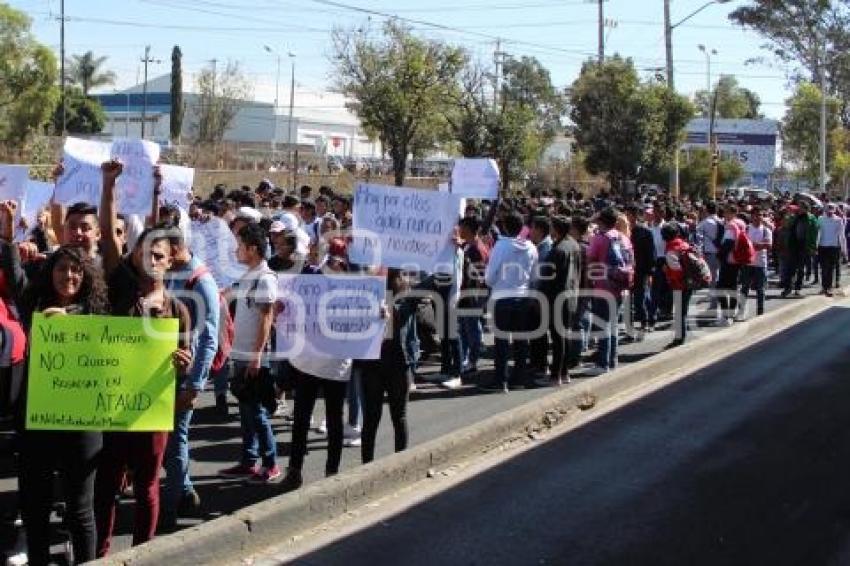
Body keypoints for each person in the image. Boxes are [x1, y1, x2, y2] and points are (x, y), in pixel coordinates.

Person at [94, 161, 193, 556]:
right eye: (144, 250)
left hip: (151, 413)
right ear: (133, 255)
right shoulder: (121, 289)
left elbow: (181, 371)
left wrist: (182, 366)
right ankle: (99, 553)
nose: (151, 257)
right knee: (107, 484)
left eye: (160, 253)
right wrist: (109, 184)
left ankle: (142, 554)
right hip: (112, 407)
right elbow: (106, 232)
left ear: (170, 261)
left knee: (149, 486)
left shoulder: (178, 311)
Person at [17, 247, 109, 566]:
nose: (68, 276)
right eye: (61, 269)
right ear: (49, 272)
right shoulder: (32, 305)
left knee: (81, 508)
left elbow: (122, 357)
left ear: (85, 276)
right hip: (38, 420)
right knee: (35, 506)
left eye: (76, 270)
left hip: (83, 423)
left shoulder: (98, 313)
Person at [161, 222, 220, 529]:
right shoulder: (173, 272)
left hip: (186, 377)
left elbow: (210, 339)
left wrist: (195, 385)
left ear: (176, 249)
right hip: (167, 372)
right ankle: (184, 491)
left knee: (175, 442)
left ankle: (168, 512)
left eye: (162, 253)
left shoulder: (201, 282)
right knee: (170, 441)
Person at [217, 223, 280, 484]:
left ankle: (271, 463)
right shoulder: (249, 275)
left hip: (253, 356)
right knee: (245, 411)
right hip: (241, 353)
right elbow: (229, 294)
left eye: (240, 246)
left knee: (255, 411)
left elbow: (267, 318)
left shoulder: (265, 278)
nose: (236, 251)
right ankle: (248, 461)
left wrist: (257, 355)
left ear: (252, 249)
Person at [359, 269, 415, 463]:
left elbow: (406, 314)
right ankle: (366, 466)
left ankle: (400, 463)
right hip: (372, 364)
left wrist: (390, 313)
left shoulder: (406, 292)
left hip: (398, 363)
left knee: (398, 417)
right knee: (371, 419)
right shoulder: (365, 289)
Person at [479, 211, 538, 392]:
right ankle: (518, 379)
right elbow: (535, 275)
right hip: (523, 296)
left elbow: (489, 276)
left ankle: (500, 380)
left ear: (504, 226)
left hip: (502, 297)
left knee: (502, 342)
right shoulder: (532, 248)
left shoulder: (501, 247)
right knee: (521, 341)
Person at [585, 207, 633, 376]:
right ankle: (612, 360)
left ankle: (602, 363)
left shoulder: (600, 239)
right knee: (613, 324)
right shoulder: (624, 238)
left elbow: (589, 259)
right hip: (620, 285)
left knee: (603, 325)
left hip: (602, 286)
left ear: (601, 221)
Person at [534, 216, 581, 386]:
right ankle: (564, 372)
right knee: (564, 336)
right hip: (571, 296)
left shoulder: (558, 250)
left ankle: (555, 375)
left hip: (556, 298)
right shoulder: (574, 244)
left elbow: (548, 279)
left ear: (557, 229)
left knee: (557, 338)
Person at [661, 223, 694, 348]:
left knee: (680, 311)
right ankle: (682, 333)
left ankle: (679, 338)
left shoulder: (671, 249)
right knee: (683, 310)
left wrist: (666, 270)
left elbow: (676, 270)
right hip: (690, 280)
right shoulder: (684, 244)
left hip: (680, 283)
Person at [740, 208, 772, 315]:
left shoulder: (766, 230)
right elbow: (743, 245)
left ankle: (760, 310)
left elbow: (768, 245)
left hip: (760, 264)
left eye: (761, 215)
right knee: (744, 287)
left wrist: (753, 245)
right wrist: (757, 245)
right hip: (747, 263)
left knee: (760, 289)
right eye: (756, 215)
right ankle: (742, 310)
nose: (758, 217)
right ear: (752, 216)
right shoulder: (747, 229)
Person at [817, 203, 846, 297]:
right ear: (825, 210)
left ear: (834, 210)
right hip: (822, 246)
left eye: (832, 210)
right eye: (828, 210)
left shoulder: (838, 220)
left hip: (834, 247)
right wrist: (815, 246)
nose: (830, 212)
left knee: (831, 268)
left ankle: (828, 288)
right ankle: (824, 287)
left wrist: (844, 250)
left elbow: (842, 236)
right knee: (824, 268)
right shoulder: (820, 219)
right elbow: (818, 233)